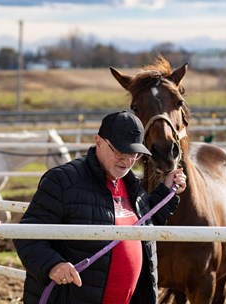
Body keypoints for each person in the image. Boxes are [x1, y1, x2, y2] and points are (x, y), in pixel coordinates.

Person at [14, 110, 187, 304]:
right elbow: (26, 234)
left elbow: (144, 226)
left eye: (135, 154)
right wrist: (53, 265)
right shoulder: (63, 181)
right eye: (121, 151)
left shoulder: (132, 185)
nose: (128, 161)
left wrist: (166, 191)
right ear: (98, 142)